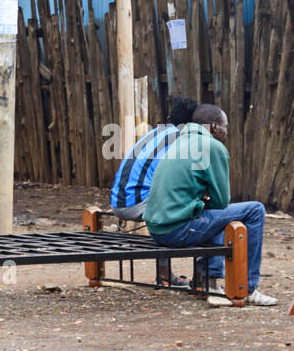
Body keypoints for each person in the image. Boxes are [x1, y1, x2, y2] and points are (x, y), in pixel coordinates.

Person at [144, 104, 277, 306]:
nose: (227, 131)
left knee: (215, 216)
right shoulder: (213, 147)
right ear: (214, 127)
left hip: (157, 229)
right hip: (177, 230)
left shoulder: (179, 142)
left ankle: (210, 282)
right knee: (255, 209)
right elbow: (222, 201)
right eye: (225, 126)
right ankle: (248, 288)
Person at [110, 95, 198, 221]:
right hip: (138, 206)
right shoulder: (182, 140)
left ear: (168, 119)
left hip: (116, 203)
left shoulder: (153, 133)